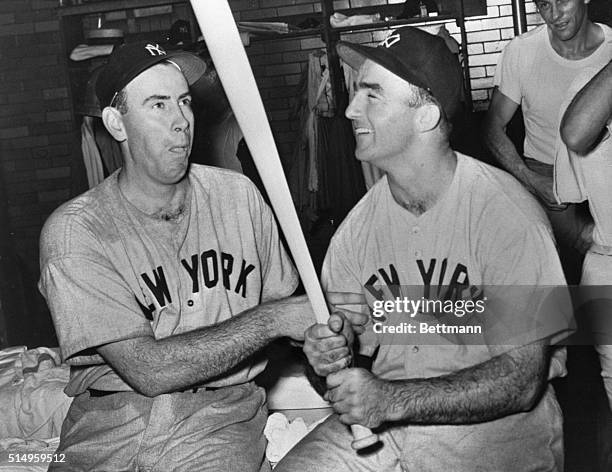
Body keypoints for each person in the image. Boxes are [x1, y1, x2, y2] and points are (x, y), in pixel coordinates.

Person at [38, 41, 363, 472]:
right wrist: (276, 321)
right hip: (108, 427)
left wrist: (318, 346)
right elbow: (147, 370)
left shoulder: (239, 198)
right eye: (158, 105)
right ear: (117, 123)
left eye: (185, 102)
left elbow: (286, 327)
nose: (181, 122)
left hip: (218, 422)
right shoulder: (77, 229)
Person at [275, 27, 571, 472]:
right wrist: (327, 360)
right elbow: (342, 377)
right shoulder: (355, 233)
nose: (351, 109)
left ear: (425, 117)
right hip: (390, 428)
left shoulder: (507, 215)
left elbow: (521, 381)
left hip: (497, 433)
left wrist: (389, 399)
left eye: (372, 95)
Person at [483, 0, 612, 278]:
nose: (554, 15)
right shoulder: (521, 51)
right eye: (544, 4)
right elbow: (493, 127)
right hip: (547, 181)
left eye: (562, 1)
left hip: (605, 177)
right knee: (557, 283)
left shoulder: (611, 53)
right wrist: (530, 179)